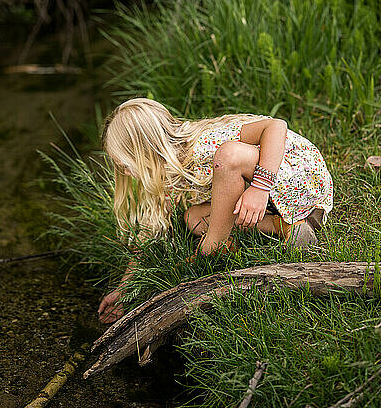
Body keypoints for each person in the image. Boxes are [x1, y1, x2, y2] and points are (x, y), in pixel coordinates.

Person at [98, 97, 333, 323]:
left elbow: (276, 126)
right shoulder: (168, 176)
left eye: (125, 165)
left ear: (144, 151)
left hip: (300, 179)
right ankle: (286, 227)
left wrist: (260, 188)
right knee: (194, 218)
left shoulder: (203, 142)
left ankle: (213, 247)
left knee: (229, 156)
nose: (126, 173)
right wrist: (124, 289)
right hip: (278, 198)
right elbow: (150, 235)